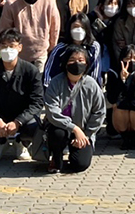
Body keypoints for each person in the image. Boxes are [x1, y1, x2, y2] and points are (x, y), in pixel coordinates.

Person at [0, 29, 45, 162]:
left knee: (34, 125)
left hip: (22, 116)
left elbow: (37, 101)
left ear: (19, 47)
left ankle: (22, 143)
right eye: (4, 46)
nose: (7, 50)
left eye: (11, 46)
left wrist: (18, 122)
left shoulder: (31, 70)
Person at [43, 45, 107, 173]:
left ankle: (73, 155)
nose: (76, 63)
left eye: (80, 60)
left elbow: (99, 112)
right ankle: (56, 157)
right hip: (61, 128)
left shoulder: (91, 84)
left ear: (87, 64)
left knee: (80, 165)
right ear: (65, 63)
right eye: (72, 60)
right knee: (57, 134)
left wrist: (86, 134)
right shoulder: (56, 82)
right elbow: (52, 112)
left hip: (84, 131)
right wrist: (74, 128)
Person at [0, 0, 60, 71]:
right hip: (18, 53)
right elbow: (4, 29)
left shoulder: (49, 0)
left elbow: (55, 26)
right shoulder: (11, 2)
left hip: (41, 51)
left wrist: (52, 47)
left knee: (38, 77)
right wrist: (7, 49)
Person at [106, 44, 135, 148]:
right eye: (127, 58)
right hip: (120, 119)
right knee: (119, 107)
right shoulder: (114, 73)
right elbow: (112, 98)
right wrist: (122, 80)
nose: (131, 61)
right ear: (122, 59)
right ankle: (125, 139)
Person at [42, 12, 102, 88]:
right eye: (75, 27)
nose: (79, 30)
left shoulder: (94, 47)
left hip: (86, 88)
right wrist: (49, 89)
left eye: (82, 27)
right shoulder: (60, 48)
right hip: (61, 88)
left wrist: (91, 89)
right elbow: (49, 72)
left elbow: (95, 72)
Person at [89, 0, 120, 76]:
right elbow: (92, 37)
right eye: (110, 3)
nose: (113, 7)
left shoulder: (117, 20)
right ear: (101, 6)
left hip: (112, 59)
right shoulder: (91, 18)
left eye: (115, 4)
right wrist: (100, 21)